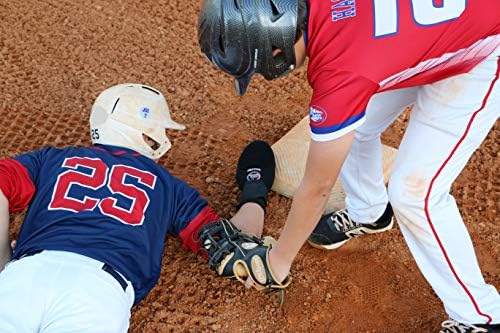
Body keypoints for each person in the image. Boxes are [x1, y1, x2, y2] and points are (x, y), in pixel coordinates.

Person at [198, 1, 500, 332]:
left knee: (416, 194)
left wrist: (279, 260)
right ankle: (368, 211)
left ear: (278, 43)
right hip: (440, 29)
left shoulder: (340, 70)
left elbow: (317, 188)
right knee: (351, 127)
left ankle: (481, 317)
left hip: (486, 48)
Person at [0, 83, 276, 332]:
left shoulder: (52, 158)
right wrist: (255, 191)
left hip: (27, 275)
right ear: (146, 134)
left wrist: (3, 260)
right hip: (97, 291)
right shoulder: (168, 186)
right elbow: (231, 242)